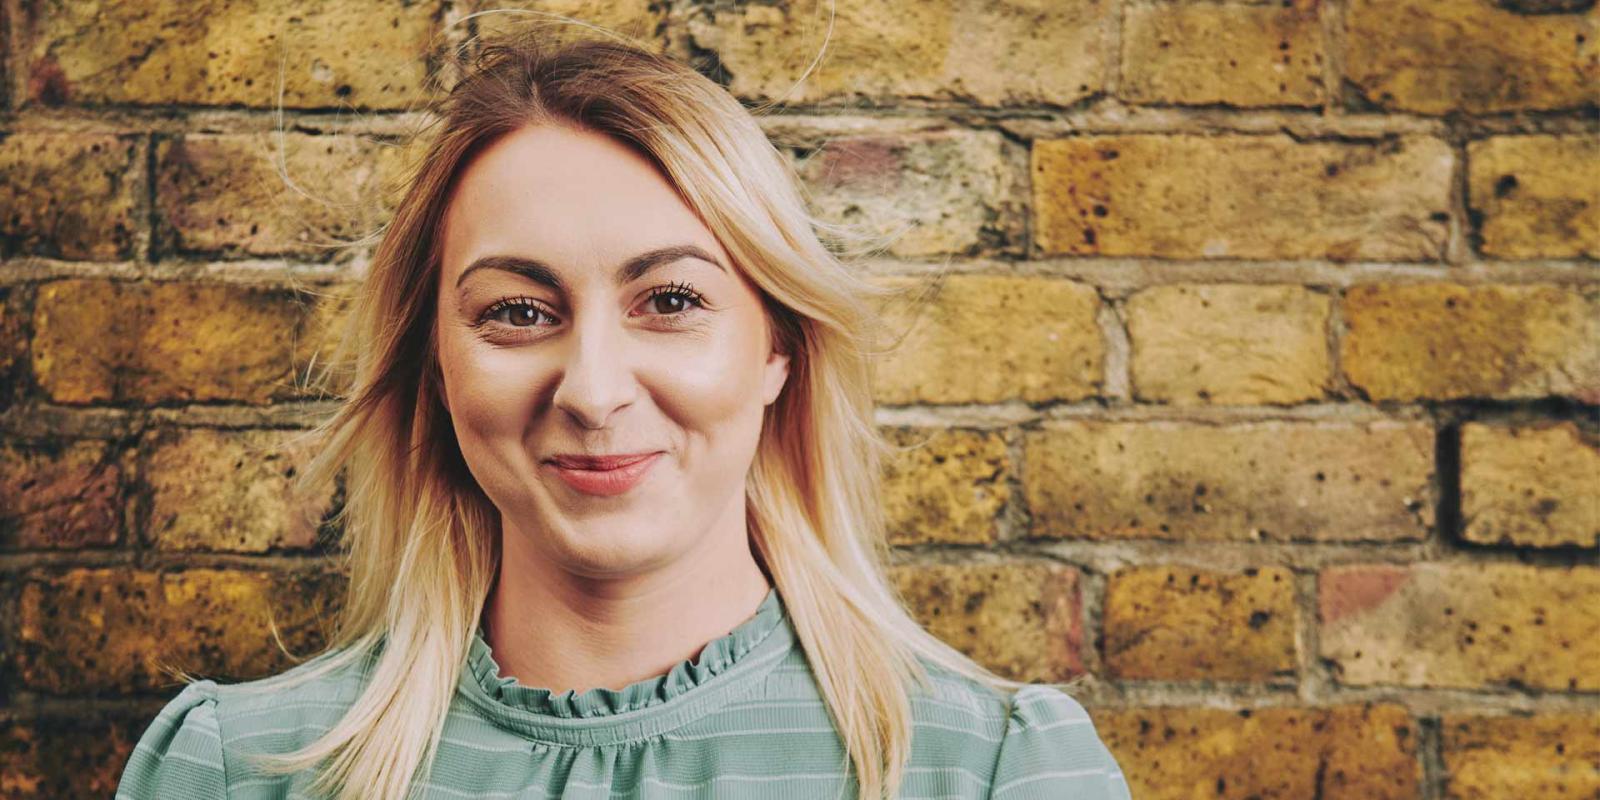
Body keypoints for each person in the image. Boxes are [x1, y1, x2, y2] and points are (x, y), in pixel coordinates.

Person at [115, 23, 1131, 800]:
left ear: (777, 346)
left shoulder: (996, 768)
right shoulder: (233, 767)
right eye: (516, 311)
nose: (594, 390)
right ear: (434, 364)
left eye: (672, 301)